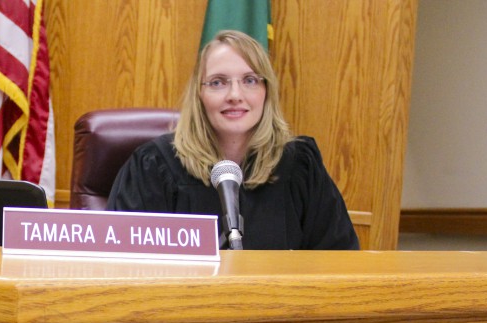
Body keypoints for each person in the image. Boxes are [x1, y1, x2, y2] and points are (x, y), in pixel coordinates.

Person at [106, 30, 360, 250]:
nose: (235, 95)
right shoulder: (153, 167)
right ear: (199, 95)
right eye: (218, 82)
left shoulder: (300, 167)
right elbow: (124, 264)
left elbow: (338, 259)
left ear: (266, 92)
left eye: (250, 80)